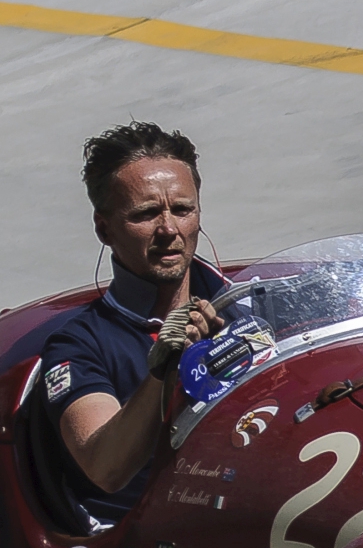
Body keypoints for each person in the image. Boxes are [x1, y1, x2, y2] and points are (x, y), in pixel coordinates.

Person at [40, 121, 228, 527]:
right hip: (149, 540)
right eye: (145, 214)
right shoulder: (77, 345)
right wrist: (165, 370)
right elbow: (105, 467)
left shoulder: (243, 302)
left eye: (182, 210)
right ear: (104, 228)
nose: (169, 230)